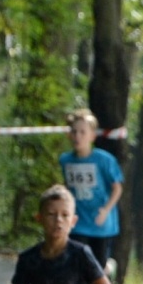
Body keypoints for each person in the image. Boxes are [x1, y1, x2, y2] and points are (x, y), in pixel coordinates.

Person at [58, 108, 124, 271]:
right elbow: (68, 187)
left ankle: (107, 268)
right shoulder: (66, 160)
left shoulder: (104, 160)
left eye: (82, 132)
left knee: (97, 268)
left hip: (100, 221)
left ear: (92, 135)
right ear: (69, 135)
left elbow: (117, 188)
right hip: (78, 220)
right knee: (78, 262)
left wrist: (106, 210)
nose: (77, 136)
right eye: (74, 132)